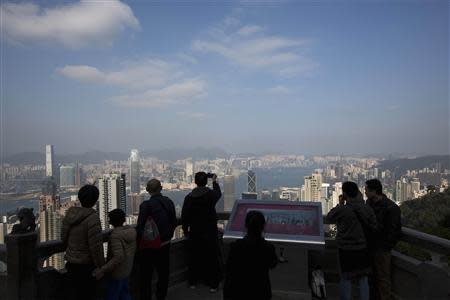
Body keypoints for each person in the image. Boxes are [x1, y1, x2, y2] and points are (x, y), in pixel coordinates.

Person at [327, 181, 375, 300]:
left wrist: (340, 203)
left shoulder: (343, 210)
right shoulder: (366, 208)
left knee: (345, 278)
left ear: (344, 193)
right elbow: (374, 224)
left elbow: (329, 217)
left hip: (346, 249)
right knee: (363, 279)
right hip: (363, 248)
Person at [61, 184, 105, 300]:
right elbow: (96, 246)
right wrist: (101, 267)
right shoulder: (93, 218)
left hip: (71, 264)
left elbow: (63, 238)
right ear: (95, 200)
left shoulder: (70, 215)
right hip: (86, 266)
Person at [136, 179, 177, 300]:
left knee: (146, 276)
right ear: (161, 188)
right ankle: (161, 296)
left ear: (148, 190)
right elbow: (174, 221)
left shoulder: (145, 205)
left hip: (149, 246)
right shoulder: (169, 202)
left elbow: (140, 227)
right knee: (163, 273)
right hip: (165, 244)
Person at [181, 172, 222, 292]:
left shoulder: (189, 197)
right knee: (211, 257)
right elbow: (218, 194)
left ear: (195, 182)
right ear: (205, 181)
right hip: (210, 231)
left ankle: (193, 281)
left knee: (194, 257)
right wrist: (214, 181)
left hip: (195, 231)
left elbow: (185, 216)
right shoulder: (210, 195)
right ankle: (213, 284)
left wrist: (185, 230)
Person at [223, 210, 278, 300]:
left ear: (246, 226)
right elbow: (273, 264)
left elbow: (229, 269)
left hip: (239, 290)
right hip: (261, 290)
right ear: (263, 227)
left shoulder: (236, 246)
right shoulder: (268, 247)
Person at [365, 179, 401, 300]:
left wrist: (385, 246)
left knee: (383, 278)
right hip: (369, 247)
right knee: (371, 277)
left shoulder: (391, 208)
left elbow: (394, 230)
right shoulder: (368, 204)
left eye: (366, 190)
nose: (365, 192)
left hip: (382, 249)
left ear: (374, 191)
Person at [94, 209, 136, 300]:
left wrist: (103, 269)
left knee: (112, 295)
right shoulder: (131, 231)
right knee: (124, 293)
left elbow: (118, 257)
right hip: (127, 268)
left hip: (117, 272)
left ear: (112, 221)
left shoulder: (115, 236)